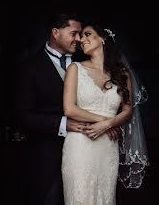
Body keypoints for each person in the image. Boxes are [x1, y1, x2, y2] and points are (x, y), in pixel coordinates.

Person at [62, 23, 148, 205]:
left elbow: (128, 111)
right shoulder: (75, 69)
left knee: (105, 198)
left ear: (102, 39)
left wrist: (107, 125)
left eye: (87, 34)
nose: (81, 40)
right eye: (80, 36)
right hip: (80, 144)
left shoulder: (122, 74)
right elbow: (69, 109)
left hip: (107, 148)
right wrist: (105, 122)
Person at [15, 12, 88, 205]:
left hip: (87, 154)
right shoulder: (29, 67)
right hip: (47, 160)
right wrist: (65, 124)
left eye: (81, 34)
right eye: (74, 33)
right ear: (55, 33)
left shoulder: (87, 63)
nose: (79, 39)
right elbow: (23, 117)